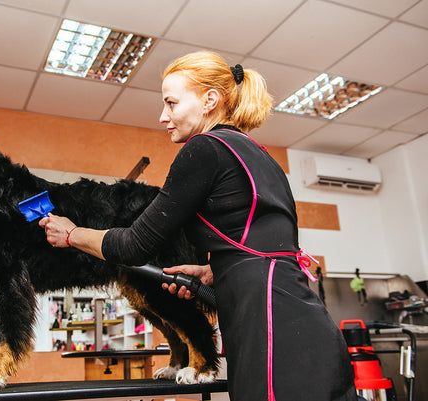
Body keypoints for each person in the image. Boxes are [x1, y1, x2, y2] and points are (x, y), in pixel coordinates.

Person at [39, 51, 356, 401]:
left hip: (270, 330)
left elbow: (134, 246)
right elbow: (267, 243)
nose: (163, 116)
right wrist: (215, 270)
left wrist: (72, 234)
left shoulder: (203, 148)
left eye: (171, 103)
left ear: (209, 100)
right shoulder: (258, 153)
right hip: (304, 322)